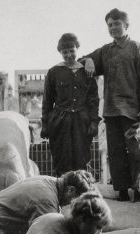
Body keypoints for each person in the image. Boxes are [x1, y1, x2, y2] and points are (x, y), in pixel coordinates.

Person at [82, 8, 140, 202]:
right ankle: (122, 190)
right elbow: (82, 61)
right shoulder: (106, 51)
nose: (113, 27)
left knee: (135, 151)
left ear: (126, 25)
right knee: (115, 152)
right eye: (109, 25)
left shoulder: (137, 48)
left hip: (132, 110)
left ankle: (139, 190)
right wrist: (89, 60)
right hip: (112, 111)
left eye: (116, 23)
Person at [41, 33, 100, 176]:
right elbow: (47, 101)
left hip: (81, 122)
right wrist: (45, 124)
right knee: (62, 159)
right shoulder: (54, 72)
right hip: (60, 122)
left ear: (77, 49)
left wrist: (93, 122)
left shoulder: (87, 71)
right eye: (64, 52)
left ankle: (81, 193)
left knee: (81, 159)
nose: (68, 55)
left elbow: (93, 100)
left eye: (72, 51)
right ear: (60, 53)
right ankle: (64, 193)